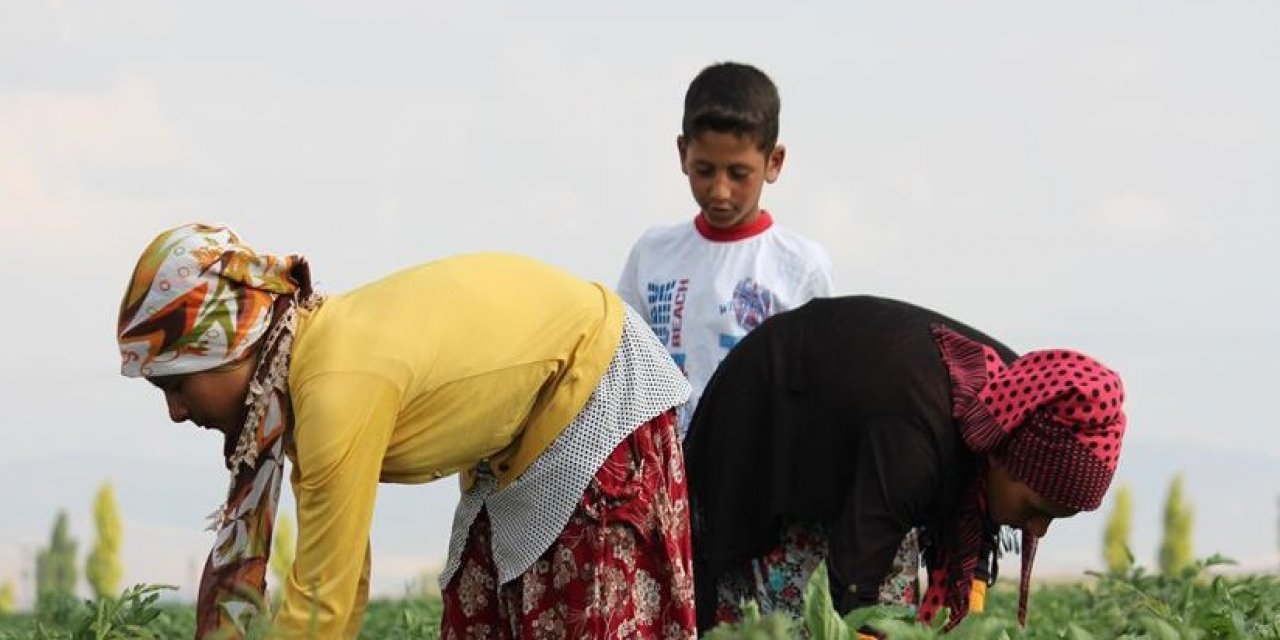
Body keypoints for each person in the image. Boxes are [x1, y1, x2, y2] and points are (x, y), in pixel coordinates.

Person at [116, 223, 697, 639]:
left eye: (177, 384)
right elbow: (340, 573)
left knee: (577, 617)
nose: (175, 411)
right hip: (521, 433)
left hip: (595, 392)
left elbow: (324, 601)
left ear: (230, 349)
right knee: (481, 615)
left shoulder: (332, 386)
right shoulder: (303, 376)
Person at [684, 296, 1127, 633]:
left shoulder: (1015, 404)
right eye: (1037, 509)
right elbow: (855, 579)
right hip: (769, 425)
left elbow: (970, 538)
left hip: (859, 446)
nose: (1036, 530)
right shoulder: (918, 438)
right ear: (1002, 456)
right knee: (789, 620)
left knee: (891, 610)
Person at [617, 61, 834, 439]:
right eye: (705, 170)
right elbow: (622, 371)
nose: (719, 191)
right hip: (668, 477)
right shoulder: (652, 253)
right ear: (683, 154)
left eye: (738, 174)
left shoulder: (800, 266)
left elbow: (819, 388)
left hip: (756, 474)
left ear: (774, 162)